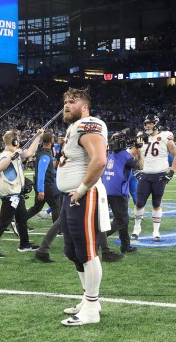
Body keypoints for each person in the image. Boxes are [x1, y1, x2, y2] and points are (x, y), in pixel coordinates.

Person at [56, 88, 108, 326]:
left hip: (83, 195)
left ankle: (91, 309)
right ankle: (89, 300)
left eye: (72, 101)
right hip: (71, 196)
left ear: (84, 106)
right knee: (73, 252)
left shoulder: (89, 124)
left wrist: (82, 190)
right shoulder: (74, 127)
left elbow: (99, 160)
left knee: (87, 252)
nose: (66, 105)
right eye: (65, 101)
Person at [0, 129, 43, 258]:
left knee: (22, 218)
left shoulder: (14, 153)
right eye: (18, 141)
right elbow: (0, 167)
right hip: (10, 195)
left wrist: (38, 137)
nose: (19, 143)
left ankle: (24, 244)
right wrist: (12, 156)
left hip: (16, 194)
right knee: (4, 221)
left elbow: (30, 152)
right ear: (14, 141)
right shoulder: (6, 154)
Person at [132, 114, 176, 242]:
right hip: (145, 174)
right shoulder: (141, 137)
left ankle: (156, 231)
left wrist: (171, 172)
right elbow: (133, 155)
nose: (148, 125)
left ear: (156, 124)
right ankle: (136, 229)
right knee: (139, 203)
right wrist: (135, 169)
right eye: (146, 123)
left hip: (159, 175)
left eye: (151, 123)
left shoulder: (165, 136)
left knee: (156, 204)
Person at [101, 130, 142, 253]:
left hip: (106, 189)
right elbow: (139, 165)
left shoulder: (108, 153)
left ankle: (125, 245)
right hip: (118, 192)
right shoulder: (126, 155)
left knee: (122, 218)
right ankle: (99, 239)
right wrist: (139, 150)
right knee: (122, 220)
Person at [25, 132, 60, 223]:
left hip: (43, 185)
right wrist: (41, 190)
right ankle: (58, 229)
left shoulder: (43, 151)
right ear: (51, 141)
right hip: (46, 185)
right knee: (56, 206)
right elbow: (41, 173)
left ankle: (20, 221)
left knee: (37, 208)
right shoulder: (45, 154)